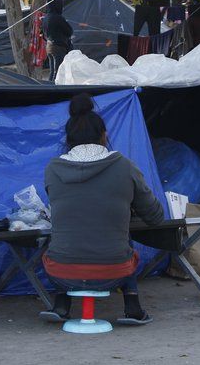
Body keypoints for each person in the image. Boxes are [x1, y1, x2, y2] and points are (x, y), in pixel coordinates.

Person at [40, 94, 164, 325]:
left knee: (62, 235)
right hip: (114, 272)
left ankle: (61, 304)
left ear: (67, 139)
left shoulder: (52, 169)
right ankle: (133, 306)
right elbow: (155, 217)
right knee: (122, 237)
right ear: (104, 136)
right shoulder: (125, 167)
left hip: (60, 273)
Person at [41, 0, 73, 81]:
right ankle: (53, 90)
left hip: (49, 46)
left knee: (52, 72)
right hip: (58, 47)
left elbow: (43, 34)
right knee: (58, 72)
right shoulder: (58, 18)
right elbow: (69, 31)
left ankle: (48, 88)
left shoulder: (46, 17)